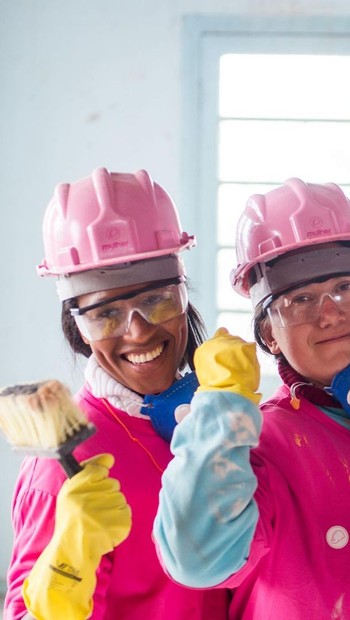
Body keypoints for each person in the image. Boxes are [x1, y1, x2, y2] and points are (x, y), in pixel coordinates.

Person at [153, 178, 350, 618]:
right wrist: (219, 414)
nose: (330, 314)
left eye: (346, 288)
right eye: (300, 300)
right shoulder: (259, 442)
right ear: (269, 334)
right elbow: (199, 561)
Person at [4, 168, 229, 619]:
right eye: (106, 314)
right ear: (79, 330)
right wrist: (67, 566)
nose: (138, 331)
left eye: (157, 300)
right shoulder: (66, 466)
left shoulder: (215, 421)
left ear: (185, 295)